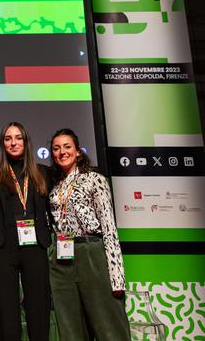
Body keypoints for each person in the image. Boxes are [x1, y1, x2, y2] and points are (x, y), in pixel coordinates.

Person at [48, 128, 130, 340]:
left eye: (67, 147)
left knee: (109, 327)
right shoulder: (54, 187)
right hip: (62, 257)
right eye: (56, 148)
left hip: (92, 252)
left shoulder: (95, 179)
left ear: (78, 151)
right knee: (70, 330)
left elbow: (109, 228)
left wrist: (117, 277)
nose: (62, 152)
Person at [0, 121, 51, 341]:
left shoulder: (43, 173)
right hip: (3, 249)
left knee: (38, 309)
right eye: (8, 139)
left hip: (35, 246)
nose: (13, 143)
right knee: (7, 313)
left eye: (18, 138)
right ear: (2, 144)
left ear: (26, 142)